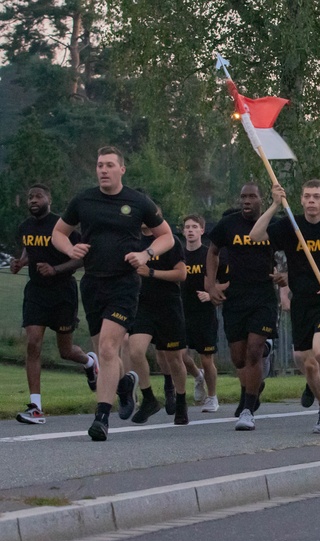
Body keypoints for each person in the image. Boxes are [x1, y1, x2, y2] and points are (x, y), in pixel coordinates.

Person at [52, 146, 174, 441]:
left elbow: (167, 237)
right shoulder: (83, 200)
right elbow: (58, 232)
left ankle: (102, 418)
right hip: (93, 282)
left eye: (109, 165)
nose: (103, 170)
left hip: (124, 284)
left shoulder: (137, 201)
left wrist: (145, 254)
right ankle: (124, 384)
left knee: (107, 349)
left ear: (122, 169)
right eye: (99, 165)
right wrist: (70, 248)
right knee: (105, 351)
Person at [250, 181, 320, 432]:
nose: (311, 201)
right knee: (304, 361)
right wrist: (275, 205)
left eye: (316, 197)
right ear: (301, 200)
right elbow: (255, 236)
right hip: (301, 302)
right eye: (307, 196)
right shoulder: (291, 225)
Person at [12, 184, 96, 424]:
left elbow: (81, 258)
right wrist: (21, 263)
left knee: (66, 351)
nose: (33, 200)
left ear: (49, 199)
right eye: (30, 196)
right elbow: (31, 250)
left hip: (62, 293)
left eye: (38, 196)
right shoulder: (25, 227)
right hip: (36, 293)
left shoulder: (62, 226)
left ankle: (90, 363)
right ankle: (36, 408)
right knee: (33, 344)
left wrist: (55, 269)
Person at [206, 183, 280, 430]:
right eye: (243, 196)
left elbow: (295, 249)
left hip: (263, 295)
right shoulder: (229, 224)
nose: (246, 201)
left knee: (254, 351)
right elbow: (213, 251)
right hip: (236, 296)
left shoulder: (274, 224)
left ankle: (248, 409)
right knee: (239, 359)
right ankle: (254, 384)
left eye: (252, 196)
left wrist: (286, 275)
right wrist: (211, 283)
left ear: (261, 199)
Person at [127, 208, 190, 425]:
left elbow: (181, 274)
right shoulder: (132, 239)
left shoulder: (170, 241)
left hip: (168, 306)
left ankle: (181, 400)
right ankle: (148, 398)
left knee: (173, 358)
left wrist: (151, 272)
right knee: (135, 350)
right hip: (141, 305)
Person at [179, 215, 220, 412]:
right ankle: (197, 376)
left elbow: (224, 281)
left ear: (202, 231)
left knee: (206, 358)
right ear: (182, 231)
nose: (190, 230)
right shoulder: (178, 254)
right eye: (187, 227)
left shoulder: (208, 255)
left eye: (195, 227)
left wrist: (211, 293)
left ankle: (212, 397)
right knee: (179, 354)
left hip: (204, 313)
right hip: (181, 310)